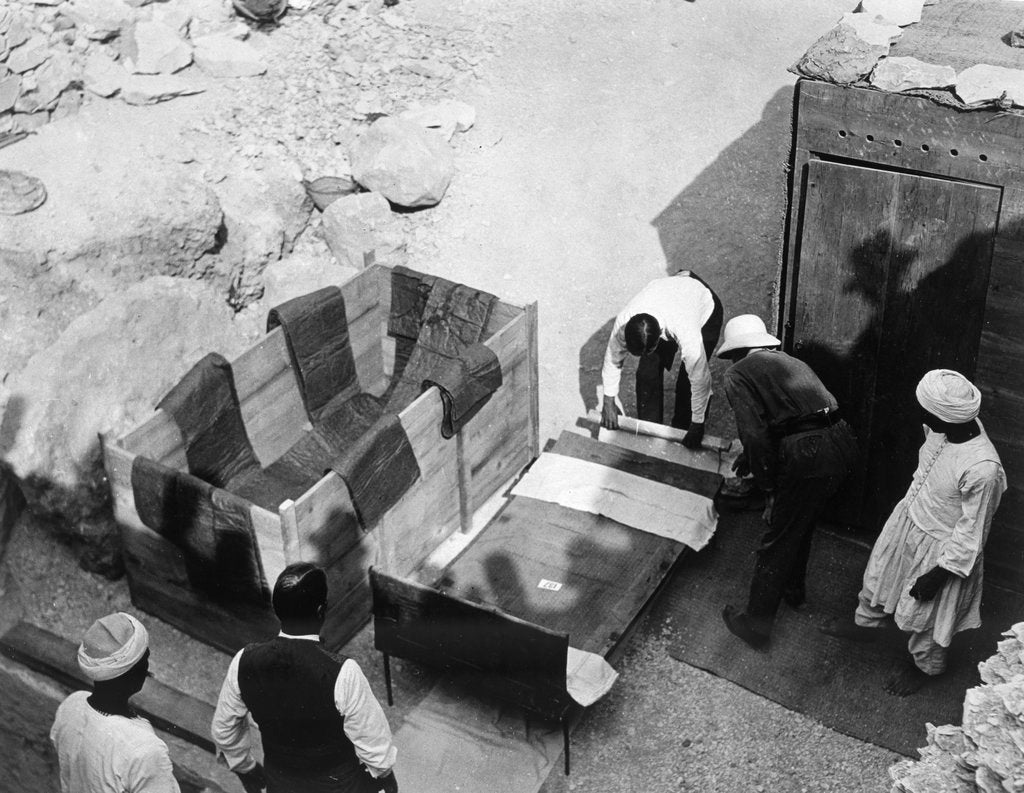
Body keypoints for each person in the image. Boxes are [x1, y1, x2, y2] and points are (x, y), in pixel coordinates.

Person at [826, 369, 1006, 696]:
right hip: (910, 520)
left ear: (947, 417)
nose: (921, 416)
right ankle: (865, 626)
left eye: (927, 411)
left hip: (943, 552)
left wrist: (938, 575)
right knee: (879, 576)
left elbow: (973, 532)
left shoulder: (983, 469)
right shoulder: (947, 430)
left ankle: (925, 667)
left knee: (929, 617)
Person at [716, 315, 857, 649]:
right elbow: (788, 419)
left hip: (808, 453)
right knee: (801, 521)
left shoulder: (737, 373)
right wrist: (755, 457)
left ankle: (756, 625)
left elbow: (754, 432)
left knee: (778, 535)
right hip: (841, 442)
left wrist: (768, 490)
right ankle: (793, 590)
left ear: (737, 351)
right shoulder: (788, 361)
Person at [211, 563, 398, 793]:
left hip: (281, 783)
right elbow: (374, 743)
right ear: (321, 610)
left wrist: (246, 767)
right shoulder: (343, 673)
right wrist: (386, 778)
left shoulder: (243, 661)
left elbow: (223, 730)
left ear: (277, 610)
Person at [50, 612, 179, 793]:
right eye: (145, 659)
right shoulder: (144, 750)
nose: (148, 667)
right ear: (132, 674)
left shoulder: (71, 705)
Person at [600, 270, 724, 449]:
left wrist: (697, 423)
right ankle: (650, 429)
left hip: (704, 308)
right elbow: (613, 356)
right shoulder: (624, 321)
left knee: (686, 384)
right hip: (671, 292)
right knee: (646, 374)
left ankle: (682, 429)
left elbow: (700, 378)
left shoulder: (684, 328)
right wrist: (608, 400)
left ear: (657, 339)